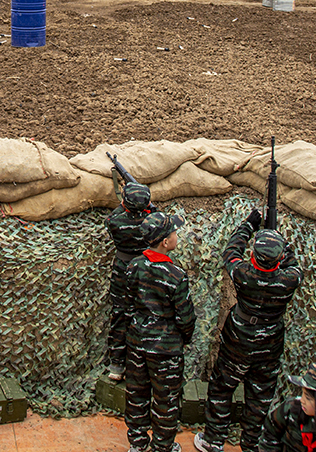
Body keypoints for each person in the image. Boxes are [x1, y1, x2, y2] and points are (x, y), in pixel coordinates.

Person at [195, 213, 303, 452]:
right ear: (279, 258)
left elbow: (231, 252)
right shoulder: (290, 280)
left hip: (238, 341)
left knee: (222, 388)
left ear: (252, 256)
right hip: (270, 345)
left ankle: (213, 440)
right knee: (260, 396)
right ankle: (252, 443)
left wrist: (248, 226)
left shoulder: (243, 273)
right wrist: (278, 240)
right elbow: (292, 261)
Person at [124, 211, 196, 452]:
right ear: (165, 242)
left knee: (136, 396)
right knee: (166, 401)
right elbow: (185, 318)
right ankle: (162, 447)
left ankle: (137, 444)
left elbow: (128, 304)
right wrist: (183, 338)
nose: (177, 235)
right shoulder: (176, 276)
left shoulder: (134, 266)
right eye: (174, 232)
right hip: (166, 349)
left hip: (137, 342)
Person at [105, 180, 155, 381]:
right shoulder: (153, 222)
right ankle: (141, 365)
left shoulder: (115, 221)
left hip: (122, 271)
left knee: (120, 315)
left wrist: (124, 203)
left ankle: (116, 365)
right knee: (145, 314)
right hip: (146, 271)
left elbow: (115, 214)